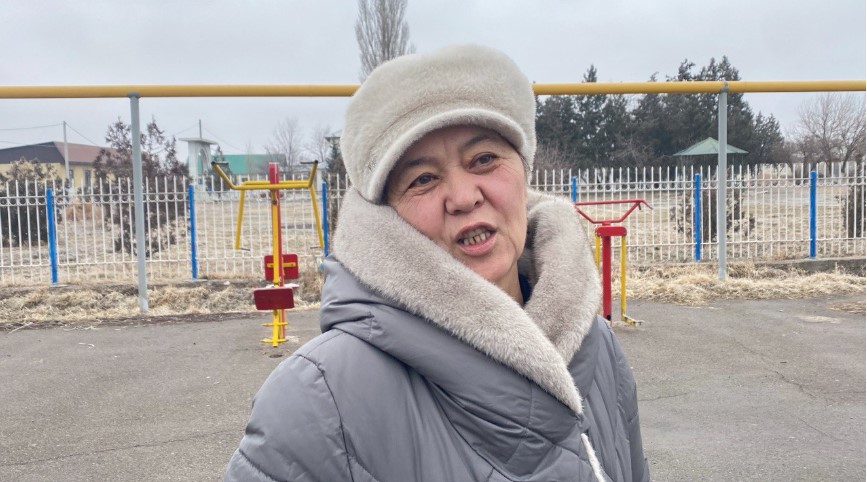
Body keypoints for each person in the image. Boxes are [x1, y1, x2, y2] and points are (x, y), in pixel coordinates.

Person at [224, 44, 649, 482]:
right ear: (385, 216)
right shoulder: (317, 402)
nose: (463, 197)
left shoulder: (594, 343)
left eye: (484, 159)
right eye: (423, 179)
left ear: (524, 171)